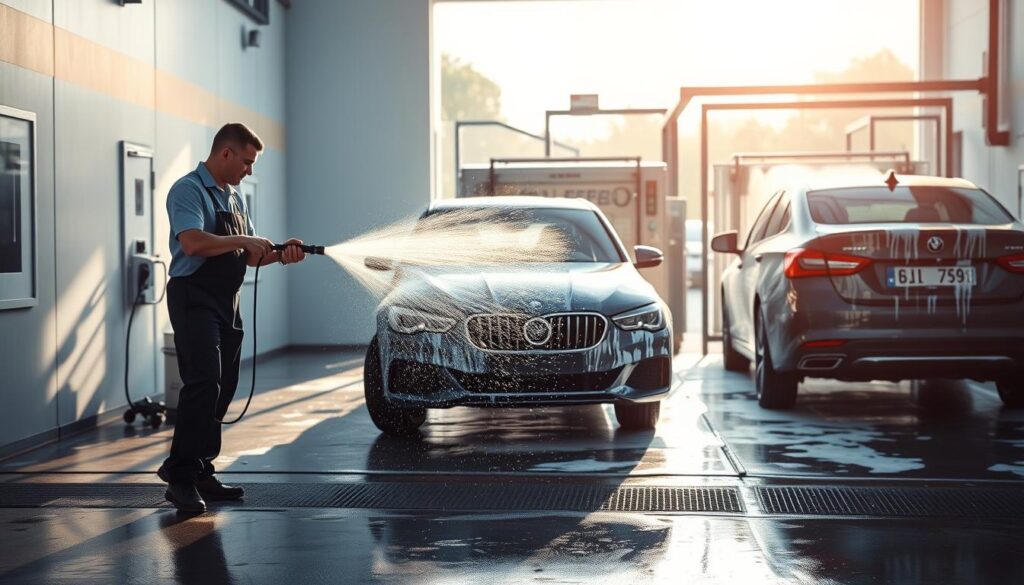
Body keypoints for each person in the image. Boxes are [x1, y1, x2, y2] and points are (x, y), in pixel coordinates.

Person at [159, 122, 306, 512]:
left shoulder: (235, 199)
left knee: (224, 385)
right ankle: (180, 476)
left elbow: (254, 254)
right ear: (225, 153)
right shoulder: (188, 190)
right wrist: (243, 240)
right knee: (204, 381)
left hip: (227, 300)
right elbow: (192, 243)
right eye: (247, 162)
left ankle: (201, 467)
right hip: (194, 298)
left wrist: (281, 252)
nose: (250, 171)